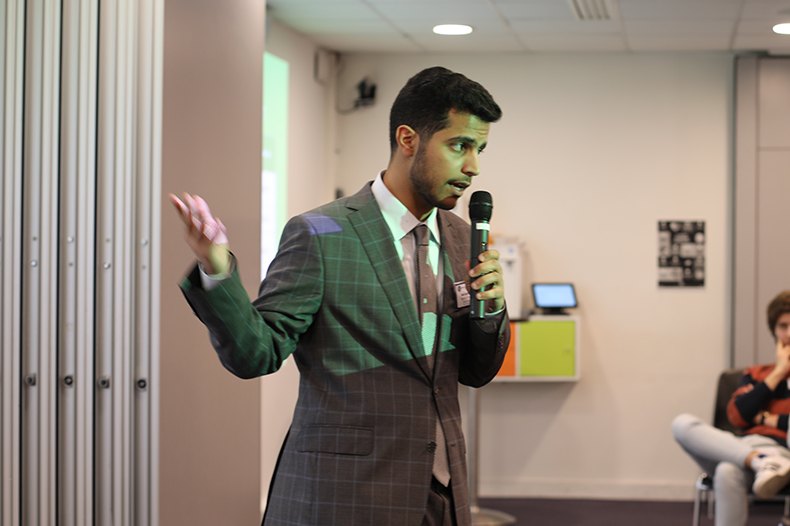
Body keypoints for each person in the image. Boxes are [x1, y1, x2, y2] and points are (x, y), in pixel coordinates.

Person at [170, 66, 510, 526]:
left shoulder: (462, 237)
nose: (473, 166)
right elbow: (257, 353)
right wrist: (215, 266)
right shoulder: (322, 233)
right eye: (459, 146)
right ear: (408, 139)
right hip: (343, 495)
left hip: (441, 494)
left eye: (479, 149)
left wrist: (493, 309)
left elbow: (474, 372)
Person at [672, 290, 790, 526]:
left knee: (727, 470)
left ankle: (768, 462)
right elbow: (738, 416)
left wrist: (764, 418)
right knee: (682, 424)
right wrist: (778, 373)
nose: (789, 333)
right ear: (774, 332)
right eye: (783, 326)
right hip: (743, 448)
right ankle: (760, 461)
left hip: (786, 454)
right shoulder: (756, 374)